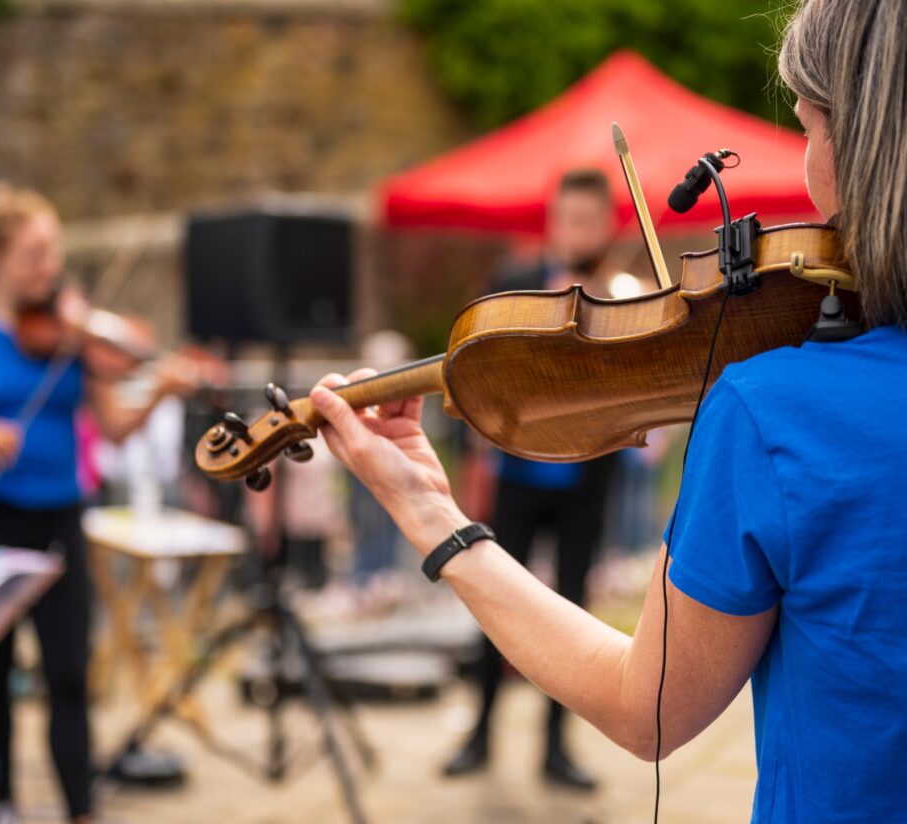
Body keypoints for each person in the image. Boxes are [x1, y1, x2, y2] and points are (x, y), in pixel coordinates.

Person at [308, 1, 907, 819]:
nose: (807, 171)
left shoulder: (778, 415)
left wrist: (427, 512)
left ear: (864, 146)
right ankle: (486, 727)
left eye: (808, 131)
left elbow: (649, 708)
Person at [0, 182, 202, 823]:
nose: (51, 269)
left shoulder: (73, 332)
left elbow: (117, 426)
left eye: (53, 253)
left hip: (60, 513)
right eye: (35, 255)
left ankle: (80, 807)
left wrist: (158, 390)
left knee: (70, 670)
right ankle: (1, 803)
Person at [443, 170, 617, 788]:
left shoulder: (618, 296)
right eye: (567, 219)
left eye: (588, 221)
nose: (577, 231)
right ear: (552, 222)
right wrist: (474, 472)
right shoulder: (513, 285)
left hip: (586, 479)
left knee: (573, 611)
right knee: (495, 607)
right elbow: (479, 377)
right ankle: (480, 731)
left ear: (607, 226)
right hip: (517, 474)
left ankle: (555, 747)